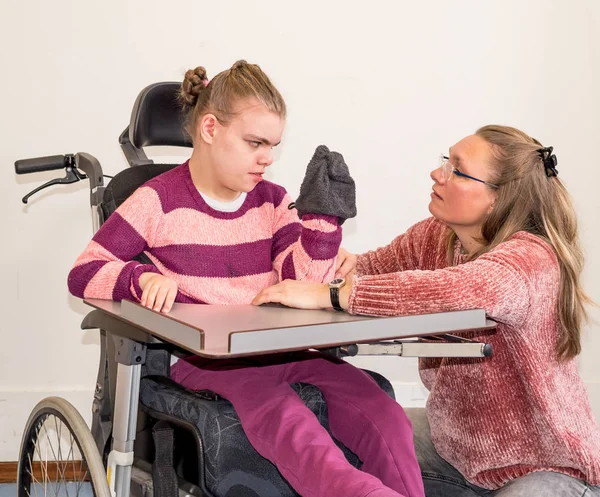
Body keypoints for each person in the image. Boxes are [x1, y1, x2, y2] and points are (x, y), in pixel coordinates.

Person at [68, 60, 425, 497]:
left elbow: (301, 283)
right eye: (255, 142)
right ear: (211, 128)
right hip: (209, 362)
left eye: (273, 145)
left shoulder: (273, 202)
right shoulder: (157, 200)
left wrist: (321, 230)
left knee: (382, 412)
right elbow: (84, 271)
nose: (267, 158)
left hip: (280, 349)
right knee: (296, 431)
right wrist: (138, 278)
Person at [253, 125, 600, 496]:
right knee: (336, 448)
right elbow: (367, 269)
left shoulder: (532, 259)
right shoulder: (436, 235)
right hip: (454, 449)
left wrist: (332, 294)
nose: (437, 173)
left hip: (547, 469)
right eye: (444, 161)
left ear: (497, 199)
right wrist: (319, 259)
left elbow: (460, 289)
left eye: (457, 169)